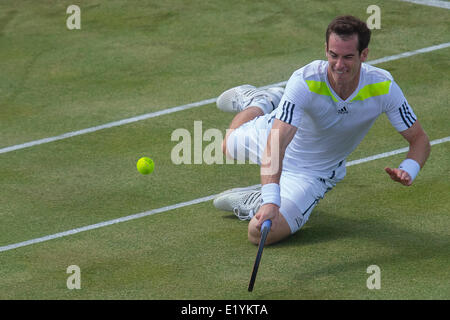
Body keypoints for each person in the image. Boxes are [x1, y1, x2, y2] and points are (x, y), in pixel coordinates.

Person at [212, 15, 431, 245]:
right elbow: (276, 144)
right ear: (326, 49)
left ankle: (256, 198)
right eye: (333, 55)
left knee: (258, 234)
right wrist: (271, 199)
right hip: (276, 136)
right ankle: (261, 102)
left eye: (348, 57)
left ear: (363, 55)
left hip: (312, 174)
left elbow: (419, 140)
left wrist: (409, 169)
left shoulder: (383, 86)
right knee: (227, 146)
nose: (339, 65)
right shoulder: (305, 80)